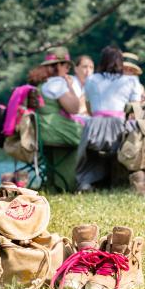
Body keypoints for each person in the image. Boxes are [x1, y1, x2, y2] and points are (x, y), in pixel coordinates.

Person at [76, 46, 143, 192]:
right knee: (136, 134)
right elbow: (135, 109)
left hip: (95, 130)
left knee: (89, 149)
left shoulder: (92, 79)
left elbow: (89, 107)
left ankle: (87, 181)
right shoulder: (131, 81)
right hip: (119, 129)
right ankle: (128, 179)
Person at [37, 46, 83, 191]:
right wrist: (69, 86)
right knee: (88, 136)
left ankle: (53, 184)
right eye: (66, 65)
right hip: (56, 131)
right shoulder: (56, 84)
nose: (68, 69)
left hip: (44, 131)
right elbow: (74, 108)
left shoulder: (41, 82)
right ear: (58, 66)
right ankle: (69, 186)